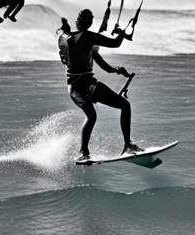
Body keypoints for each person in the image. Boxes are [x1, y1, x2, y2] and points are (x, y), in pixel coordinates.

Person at [57, 9, 142, 162]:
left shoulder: (66, 37)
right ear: (90, 23)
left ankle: (83, 153)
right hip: (88, 85)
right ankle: (128, 145)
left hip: (74, 89)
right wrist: (122, 32)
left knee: (91, 116)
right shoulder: (89, 37)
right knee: (125, 106)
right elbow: (115, 43)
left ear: (77, 21)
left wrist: (116, 70)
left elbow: (99, 62)